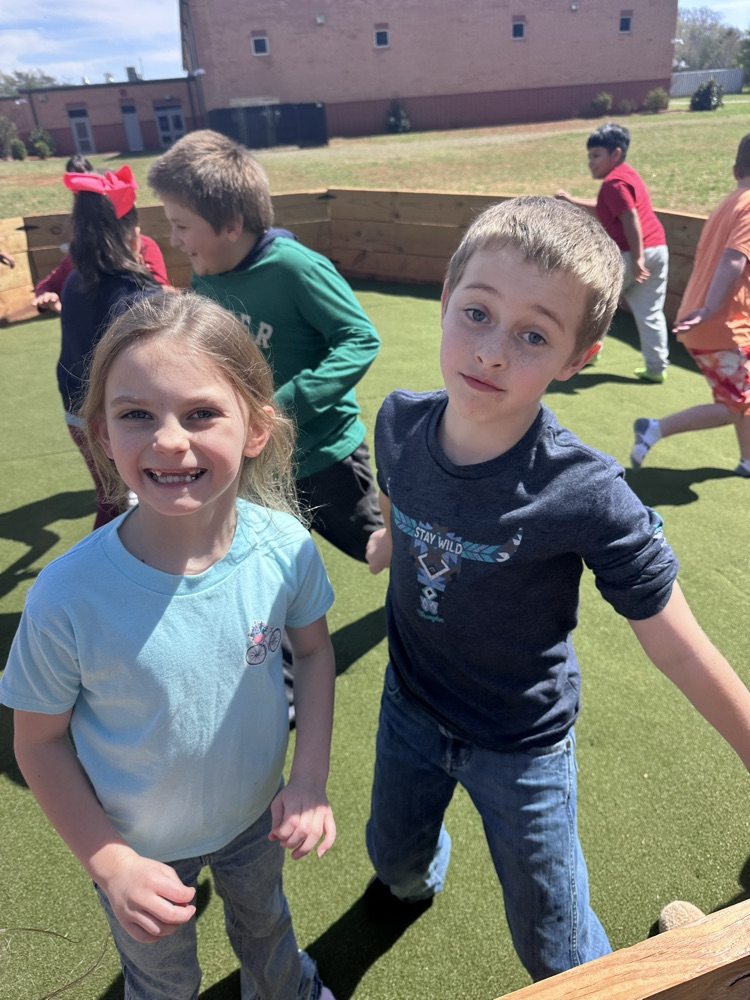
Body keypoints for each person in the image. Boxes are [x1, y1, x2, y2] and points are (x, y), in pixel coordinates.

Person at [363, 196, 750, 982]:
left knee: (557, 947)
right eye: (477, 312)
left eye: (533, 334)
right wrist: (387, 539)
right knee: (394, 864)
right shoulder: (399, 422)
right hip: (410, 702)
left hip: (521, 742)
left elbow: (678, 645)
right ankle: (413, 875)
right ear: (446, 301)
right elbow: (400, 504)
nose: (494, 352)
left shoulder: (586, 491)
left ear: (578, 358)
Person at [0, 292, 337, 1000]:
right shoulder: (65, 596)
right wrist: (111, 861)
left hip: (255, 815)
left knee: (267, 931)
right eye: (136, 414)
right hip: (136, 840)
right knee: (162, 980)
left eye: (201, 412)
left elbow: (312, 653)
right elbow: (38, 742)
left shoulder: (285, 549)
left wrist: (307, 779)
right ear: (101, 431)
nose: (169, 440)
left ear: (255, 427)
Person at [148, 129, 384, 722]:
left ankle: (433, 605)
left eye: (182, 226)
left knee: (380, 551)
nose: (173, 240)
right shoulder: (206, 277)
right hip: (256, 465)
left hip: (325, 456)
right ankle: (278, 693)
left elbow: (361, 338)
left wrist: (288, 401)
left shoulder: (295, 267)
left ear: (230, 224)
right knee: (261, 567)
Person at [631, 133, 750, 478]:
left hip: (713, 320)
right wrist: (711, 308)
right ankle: (654, 428)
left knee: (740, 400)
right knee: (737, 403)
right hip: (721, 323)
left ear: (734, 170)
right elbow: (733, 259)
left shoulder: (730, 203)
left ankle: (746, 461)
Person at [58, 164, 163, 529]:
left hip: (78, 413)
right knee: (130, 502)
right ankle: (103, 574)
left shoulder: (75, 280)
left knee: (113, 496)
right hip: (121, 419)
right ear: (133, 236)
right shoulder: (137, 292)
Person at [556, 122, 670, 383]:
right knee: (650, 311)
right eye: (589, 156)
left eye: (596, 155)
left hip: (631, 255)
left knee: (593, 303)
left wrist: (638, 257)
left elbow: (630, 218)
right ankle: (656, 367)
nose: (591, 162)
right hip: (658, 249)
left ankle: (586, 353)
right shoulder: (627, 175)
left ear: (615, 154)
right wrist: (573, 202)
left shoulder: (614, 182)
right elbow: (605, 210)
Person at [33, 157, 169, 314]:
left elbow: (160, 287)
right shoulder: (131, 283)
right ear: (133, 236)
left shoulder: (73, 281)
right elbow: (159, 300)